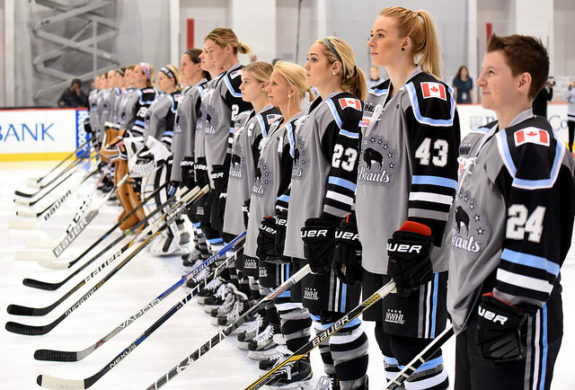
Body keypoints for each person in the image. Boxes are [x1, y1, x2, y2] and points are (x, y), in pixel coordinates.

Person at [444, 34, 575, 390]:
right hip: (477, 311)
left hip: (516, 318)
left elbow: (536, 240)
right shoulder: (486, 140)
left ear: (523, 81)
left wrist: (505, 309)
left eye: (491, 72)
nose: (480, 80)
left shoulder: (534, 145)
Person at [354, 7, 460, 390]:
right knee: (386, 337)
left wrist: (418, 233)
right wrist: (354, 225)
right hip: (379, 245)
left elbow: (438, 171)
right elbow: (367, 176)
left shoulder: (429, 94)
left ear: (407, 43)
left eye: (380, 35)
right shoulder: (379, 97)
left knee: (412, 344)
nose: (371, 42)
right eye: (371, 33)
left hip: (412, 248)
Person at [282, 36, 369, 389]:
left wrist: (330, 223)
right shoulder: (318, 109)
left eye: (313, 59)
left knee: (339, 316)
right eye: (306, 58)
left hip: (329, 231)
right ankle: (335, 379)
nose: (306, 66)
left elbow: (346, 172)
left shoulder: (343, 107)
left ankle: (352, 383)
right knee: (321, 314)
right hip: (312, 229)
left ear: (336, 67)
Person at [564, 80, 575, 152]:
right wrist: (569, 87)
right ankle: (570, 149)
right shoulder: (571, 90)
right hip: (571, 116)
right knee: (571, 135)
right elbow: (565, 97)